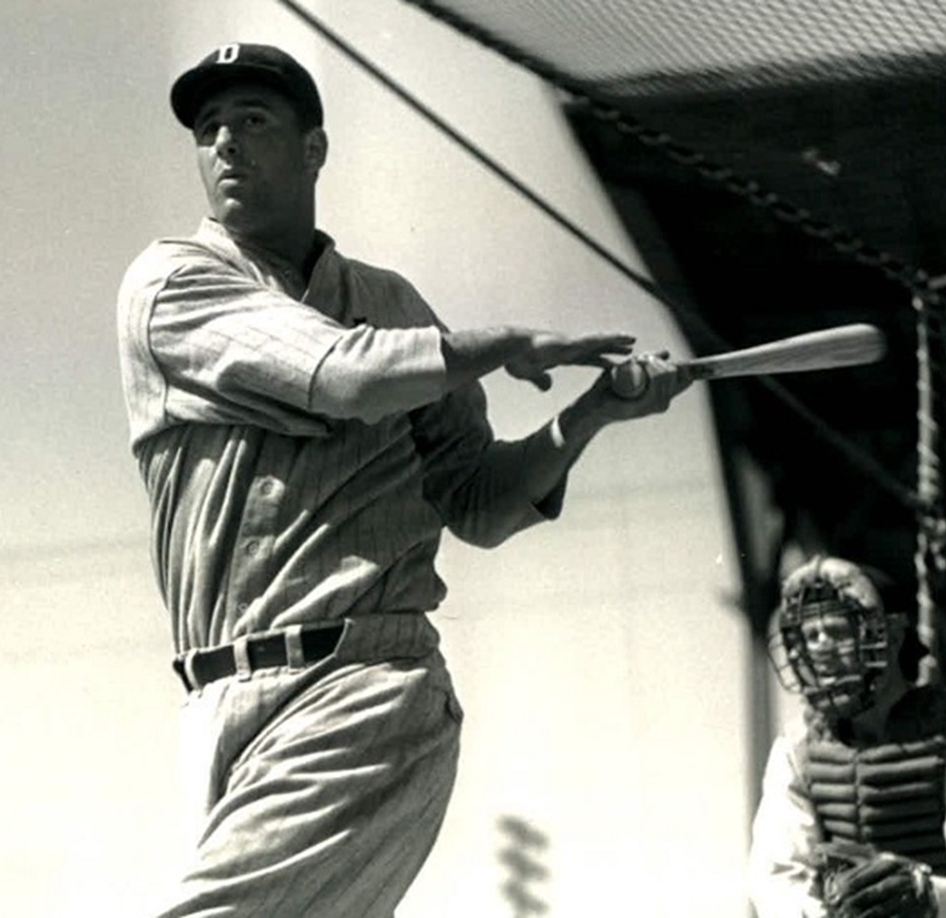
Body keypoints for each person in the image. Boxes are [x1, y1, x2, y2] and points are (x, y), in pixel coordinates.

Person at [116, 42, 691, 917]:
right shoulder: (173, 282)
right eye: (208, 127)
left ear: (314, 150)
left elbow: (481, 502)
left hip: (363, 681)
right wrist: (500, 345)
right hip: (216, 704)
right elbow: (349, 376)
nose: (225, 142)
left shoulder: (392, 306)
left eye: (253, 120)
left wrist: (591, 415)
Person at [748, 554, 946, 917]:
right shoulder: (796, 749)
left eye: (838, 631)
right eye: (810, 635)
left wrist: (929, 897)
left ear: (890, 635)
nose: (820, 647)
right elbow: (777, 880)